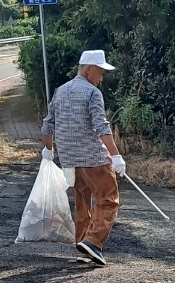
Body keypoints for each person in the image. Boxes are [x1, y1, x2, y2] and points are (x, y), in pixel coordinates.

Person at [41, 49, 126, 266]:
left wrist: (49, 150)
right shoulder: (92, 93)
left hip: (69, 161)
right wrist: (116, 156)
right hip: (93, 158)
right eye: (100, 72)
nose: (102, 78)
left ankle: (82, 244)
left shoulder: (61, 90)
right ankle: (94, 241)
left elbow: (48, 124)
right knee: (108, 199)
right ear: (89, 70)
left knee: (82, 204)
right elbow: (101, 126)